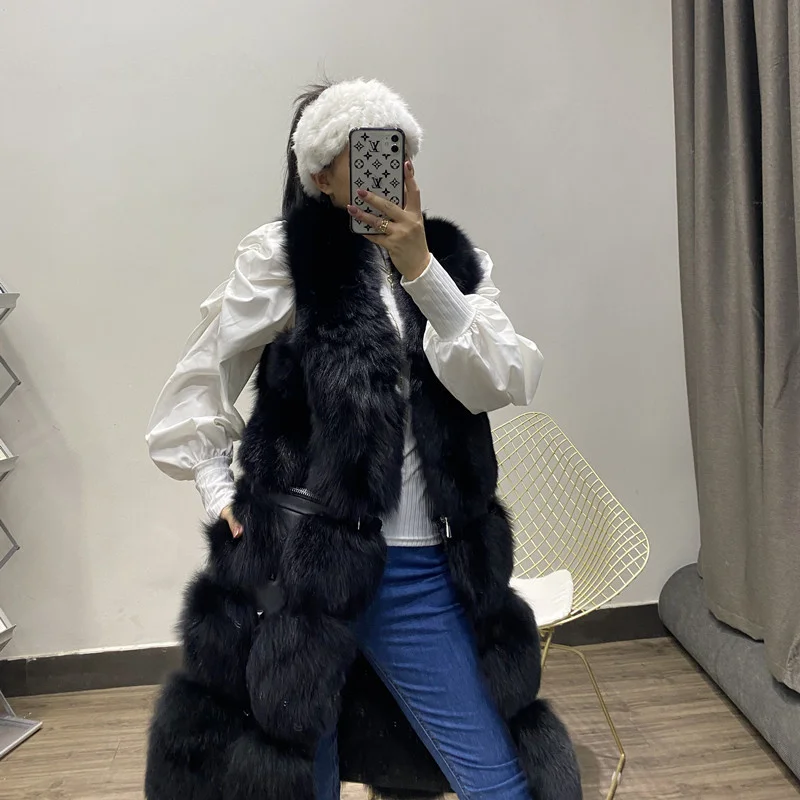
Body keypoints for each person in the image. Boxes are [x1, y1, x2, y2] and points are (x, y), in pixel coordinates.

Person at [144, 79, 582, 800]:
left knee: (498, 780)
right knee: (297, 776)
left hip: (424, 569)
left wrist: (422, 271)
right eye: (368, 151)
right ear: (321, 175)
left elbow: (504, 378)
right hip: (303, 570)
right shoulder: (282, 258)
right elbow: (200, 383)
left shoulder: (451, 262)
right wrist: (218, 487)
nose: (392, 166)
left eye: (399, 149)